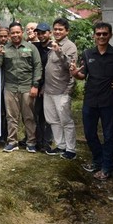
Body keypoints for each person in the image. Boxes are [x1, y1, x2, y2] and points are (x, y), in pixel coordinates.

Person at [71, 22, 113, 181]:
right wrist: (75, 74)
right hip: (89, 100)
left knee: (109, 134)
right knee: (89, 133)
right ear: (94, 36)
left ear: (110, 35)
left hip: (108, 100)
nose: (101, 36)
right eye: (98, 34)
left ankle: (107, 167)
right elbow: (83, 75)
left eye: (104, 33)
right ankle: (98, 161)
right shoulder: (88, 54)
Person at [0, 22, 42, 153]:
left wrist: (35, 85)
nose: (15, 35)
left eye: (17, 32)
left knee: (29, 116)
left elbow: (38, 67)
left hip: (27, 87)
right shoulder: (4, 49)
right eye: (12, 33)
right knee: (11, 117)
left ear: (22, 32)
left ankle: (31, 142)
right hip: (10, 87)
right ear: (9, 34)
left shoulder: (31, 48)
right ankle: (12, 141)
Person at [43, 18, 78, 160]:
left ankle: (71, 149)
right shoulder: (53, 44)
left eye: (60, 29)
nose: (57, 32)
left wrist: (59, 52)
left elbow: (70, 67)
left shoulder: (70, 46)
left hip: (62, 91)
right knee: (53, 120)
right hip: (49, 90)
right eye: (55, 29)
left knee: (66, 121)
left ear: (67, 31)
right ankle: (61, 145)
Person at [31, 22, 53, 152]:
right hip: (36, 85)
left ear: (49, 33)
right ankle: (38, 140)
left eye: (43, 33)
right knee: (37, 114)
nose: (41, 35)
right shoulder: (34, 46)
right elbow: (23, 49)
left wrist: (45, 85)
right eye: (38, 33)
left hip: (50, 86)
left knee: (48, 116)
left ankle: (47, 142)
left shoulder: (53, 47)